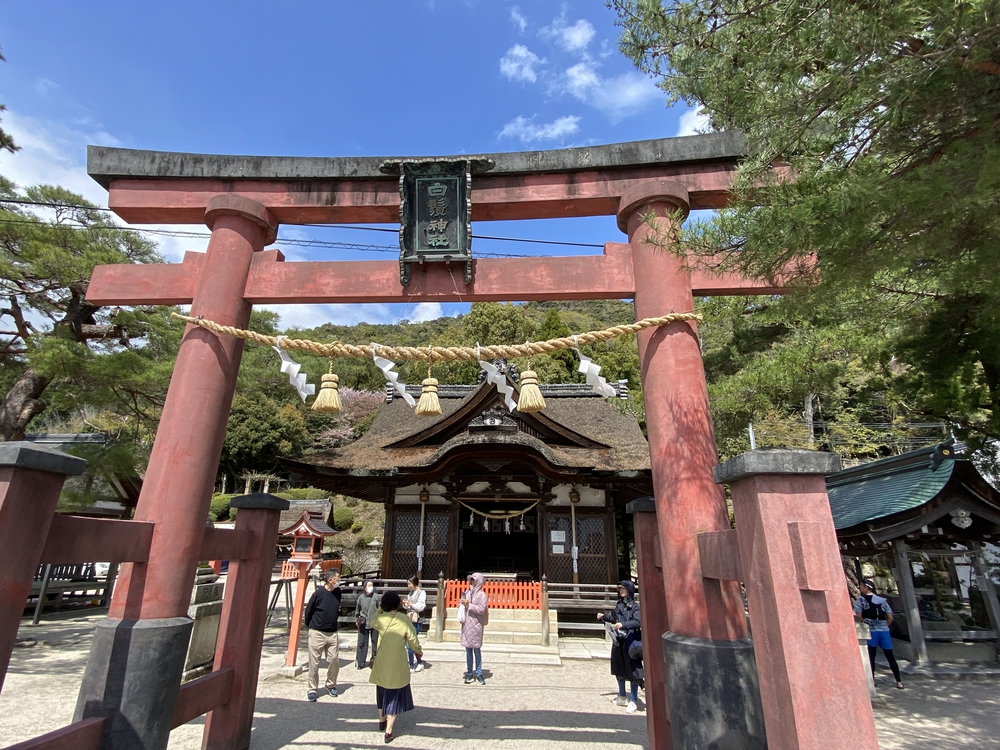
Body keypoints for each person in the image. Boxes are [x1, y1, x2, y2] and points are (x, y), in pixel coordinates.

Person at [370, 590, 422, 744]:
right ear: (398, 604)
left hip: (382, 661)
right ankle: (389, 731)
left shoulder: (381, 619)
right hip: (397, 662)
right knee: (394, 694)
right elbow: (412, 638)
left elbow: (371, 621)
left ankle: (381, 720)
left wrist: (380, 608)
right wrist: (418, 652)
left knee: (381, 691)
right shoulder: (404, 619)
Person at [597, 580, 642, 713]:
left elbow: (637, 622)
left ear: (629, 590)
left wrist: (624, 625)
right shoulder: (619, 605)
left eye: (623, 589)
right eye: (620, 589)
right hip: (619, 640)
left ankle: (633, 699)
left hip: (631, 641)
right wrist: (604, 617)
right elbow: (614, 618)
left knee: (633, 671)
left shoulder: (635, 607)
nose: (621, 591)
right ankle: (622, 696)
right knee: (619, 668)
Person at [854, 578, 903, 689]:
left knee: (871, 656)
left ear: (866, 588)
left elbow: (858, 615)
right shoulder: (882, 600)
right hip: (884, 630)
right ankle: (899, 681)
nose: (860, 587)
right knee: (890, 656)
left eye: (861, 586)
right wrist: (885, 625)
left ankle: (873, 680)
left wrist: (865, 623)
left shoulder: (861, 600)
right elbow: (890, 617)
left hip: (871, 630)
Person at [304, 570, 343, 702]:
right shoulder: (319, 593)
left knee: (334, 660)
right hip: (317, 632)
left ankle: (331, 684)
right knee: (314, 663)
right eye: (338, 578)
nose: (339, 580)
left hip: (332, 632)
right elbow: (309, 609)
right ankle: (312, 689)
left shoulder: (338, 592)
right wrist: (310, 625)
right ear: (331, 579)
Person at [459, 572, 489, 685]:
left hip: (476, 624)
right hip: (467, 624)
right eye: (470, 580)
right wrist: (462, 603)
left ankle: (479, 673)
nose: (471, 582)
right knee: (468, 649)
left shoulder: (482, 595)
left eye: (473, 580)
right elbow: (460, 603)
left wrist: (469, 605)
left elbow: (481, 609)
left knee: (476, 650)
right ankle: (470, 672)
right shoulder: (466, 592)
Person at [403, 574, 426, 673]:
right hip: (410, 618)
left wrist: (411, 604)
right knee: (413, 642)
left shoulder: (421, 593)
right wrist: (405, 604)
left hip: (418, 619)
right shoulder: (410, 593)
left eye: (409, 584)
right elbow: (409, 607)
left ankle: (412, 665)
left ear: (414, 583)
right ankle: (419, 662)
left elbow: (421, 606)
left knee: (410, 642)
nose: (409, 586)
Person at [355, 580, 381, 669]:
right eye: (369, 585)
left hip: (375, 623)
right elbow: (357, 610)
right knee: (362, 642)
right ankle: (361, 662)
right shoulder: (361, 598)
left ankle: (375, 660)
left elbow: (380, 609)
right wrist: (357, 619)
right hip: (363, 622)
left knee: (375, 642)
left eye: (372, 585)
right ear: (365, 587)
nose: (371, 587)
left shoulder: (376, 597)